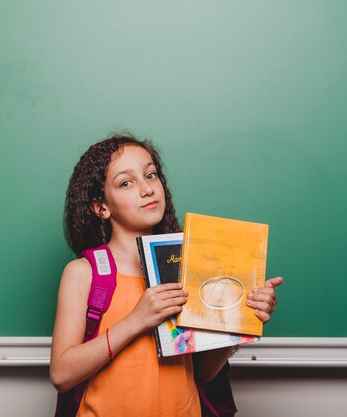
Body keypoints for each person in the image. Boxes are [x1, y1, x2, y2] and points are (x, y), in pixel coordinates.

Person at [50, 133, 283, 417]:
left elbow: (201, 374)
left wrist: (242, 318)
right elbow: (61, 375)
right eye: (126, 182)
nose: (147, 189)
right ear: (101, 207)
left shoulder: (189, 268)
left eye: (151, 175)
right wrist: (137, 320)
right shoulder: (83, 274)